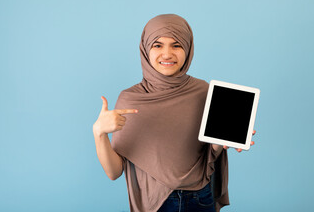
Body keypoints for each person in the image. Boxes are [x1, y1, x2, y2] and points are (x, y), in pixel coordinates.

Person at [93, 14, 256, 212]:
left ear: (188, 48)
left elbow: (209, 153)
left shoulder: (204, 92)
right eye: (158, 45)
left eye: (177, 45)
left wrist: (224, 141)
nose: (167, 54)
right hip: (156, 204)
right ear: (146, 49)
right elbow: (114, 171)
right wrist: (99, 133)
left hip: (200, 198)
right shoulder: (131, 99)